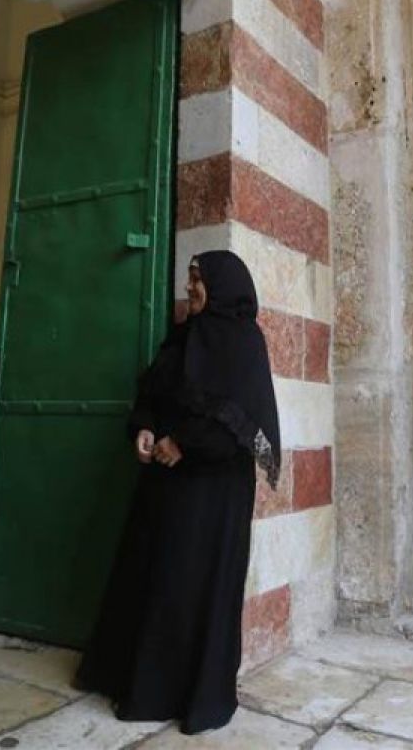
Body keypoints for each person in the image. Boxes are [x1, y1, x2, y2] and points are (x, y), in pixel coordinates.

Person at [75, 250, 281, 735]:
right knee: (158, 581)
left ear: (222, 286)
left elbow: (242, 425)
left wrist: (183, 443)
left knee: (196, 587)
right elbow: (153, 394)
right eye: (189, 278)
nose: (190, 287)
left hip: (214, 495)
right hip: (166, 489)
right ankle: (148, 686)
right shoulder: (184, 338)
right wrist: (145, 429)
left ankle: (194, 694)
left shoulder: (244, 344)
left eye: (198, 279)